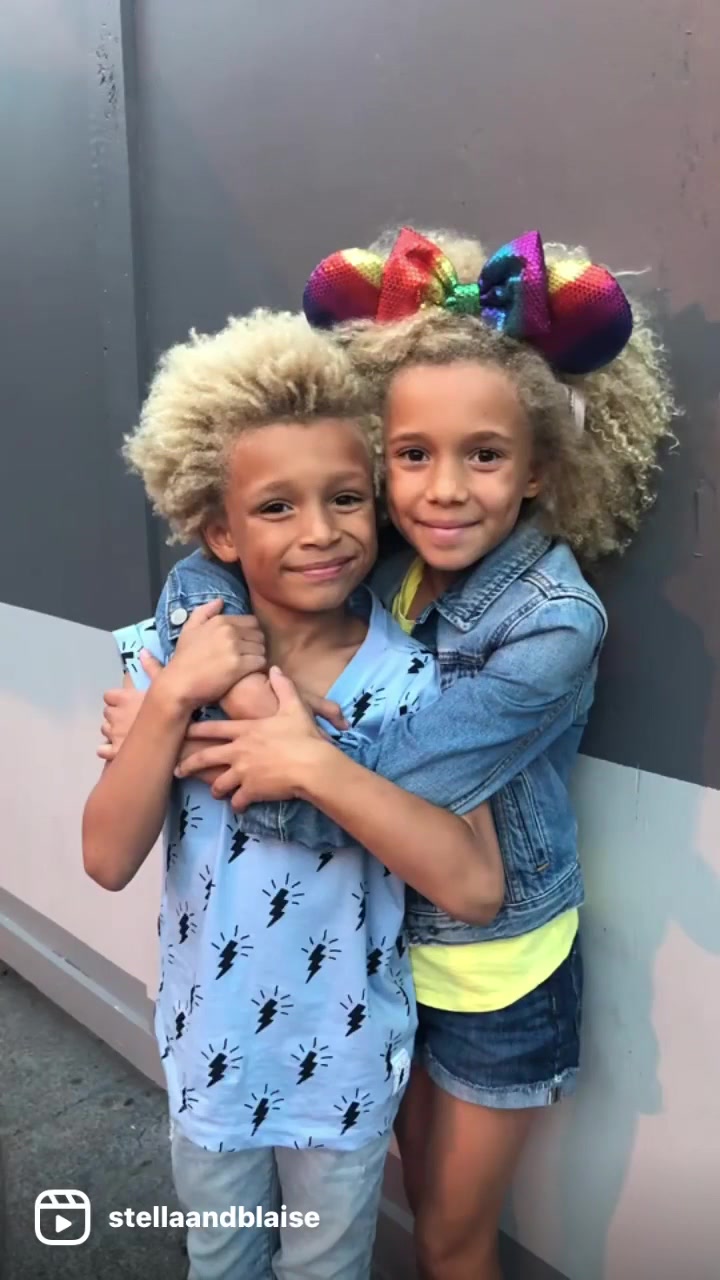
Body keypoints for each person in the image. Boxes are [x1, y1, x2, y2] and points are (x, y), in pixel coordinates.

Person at [120, 227, 676, 1280]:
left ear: (540, 469)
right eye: (414, 455)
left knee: (453, 1241)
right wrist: (200, 692)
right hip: (379, 948)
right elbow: (205, 569)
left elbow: (378, 782)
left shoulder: (553, 621)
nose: (444, 490)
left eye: (485, 456)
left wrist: (201, 745)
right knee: (400, 1211)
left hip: (491, 967)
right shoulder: (380, 553)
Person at [82, 308, 504, 1280]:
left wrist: (312, 761)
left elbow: (474, 885)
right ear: (219, 531)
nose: (320, 532)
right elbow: (105, 858)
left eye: (345, 498)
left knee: (326, 1267)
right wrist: (173, 698)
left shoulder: (418, 681)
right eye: (276, 507)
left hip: (345, 1062)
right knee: (221, 1259)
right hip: (210, 1050)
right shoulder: (165, 665)